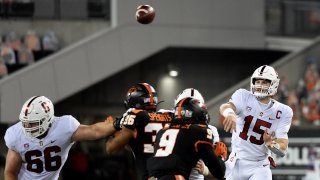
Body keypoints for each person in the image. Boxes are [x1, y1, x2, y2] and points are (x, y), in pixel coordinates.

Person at [4, 95, 120, 180]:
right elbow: (10, 171)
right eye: (25, 122)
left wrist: (119, 123)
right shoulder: (16, 134)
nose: (27, 126)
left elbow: (93, 131)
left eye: (33, 123)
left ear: (47, 119)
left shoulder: (63, 127)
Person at [219, 65, 293, 180]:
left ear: (273, 84)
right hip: (236, 162)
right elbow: (225, 106)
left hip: (259, 166)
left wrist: (272, 145)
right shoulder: (243, 95)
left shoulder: (283, 111)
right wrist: (230, 113)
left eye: (264, 82)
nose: (260, 85)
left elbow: (283, 148)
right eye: (257, 81)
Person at [147, 97, 226, 180]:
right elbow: (219, 173)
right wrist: (220, 157)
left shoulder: (162, 131)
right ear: (195, 113)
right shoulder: (199, 132)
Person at [105, 82, 172, 180]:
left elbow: (111, 149)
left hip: (150, 176)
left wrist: (113, 132)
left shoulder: (136, 116)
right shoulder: (168, 115)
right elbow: (140, 143)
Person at [173, 88, 221, 180]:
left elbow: (218, 175)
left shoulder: (210, 130)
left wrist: (205, 171)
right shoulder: (167, 126)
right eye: (186, 110)